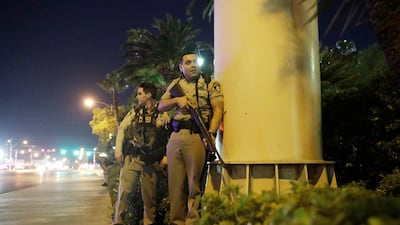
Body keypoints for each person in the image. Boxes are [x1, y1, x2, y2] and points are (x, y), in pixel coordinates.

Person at [158, 52, 224, 225]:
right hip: (176, 136)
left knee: (194, 184)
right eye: (188, 62)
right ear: (181, 67)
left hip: (197, 136)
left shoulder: (210, 83)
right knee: (175, 185)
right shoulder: (176, 84)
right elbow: (161, 105)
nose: (193, 65)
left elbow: (218, 111)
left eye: (195, 61)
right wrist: (177, 100)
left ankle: (193, 221)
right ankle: (177, 221)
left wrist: (210, 133)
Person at [113, 82, 169, 225]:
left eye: (140, 94)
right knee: (124, 195)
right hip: (132, 159)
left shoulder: (162, 112)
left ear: (148, 94)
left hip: (150, 162)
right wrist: (118, 150)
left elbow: (168, 136)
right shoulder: (135, 112)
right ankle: (119, 222)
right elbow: (122, 129)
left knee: (150, 199)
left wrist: (166, 157)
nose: (137, 97)